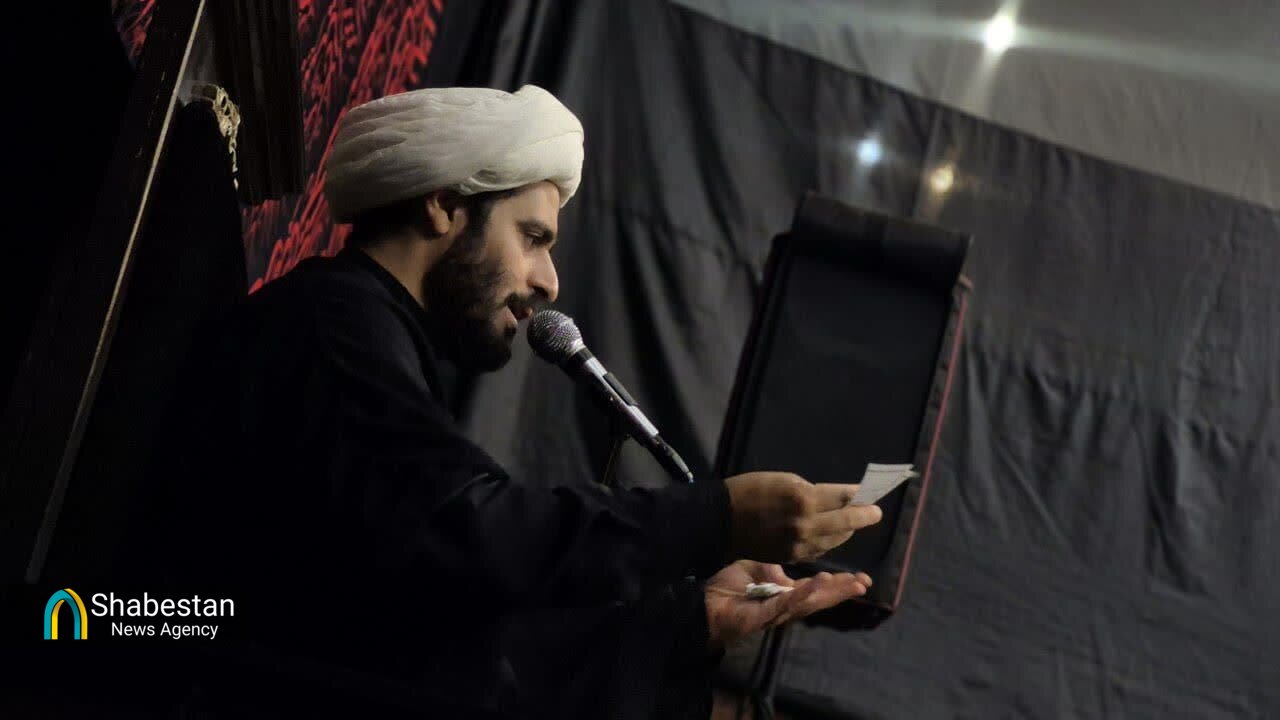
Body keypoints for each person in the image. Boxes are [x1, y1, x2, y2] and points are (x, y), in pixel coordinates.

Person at [130, 85, 882, 718]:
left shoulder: (372, 338)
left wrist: (696, 623)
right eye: (532, 237)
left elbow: (446, 627)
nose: (548, 281)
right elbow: (473, 537)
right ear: (442, 205)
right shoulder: (333, 330)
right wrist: (713, 518)